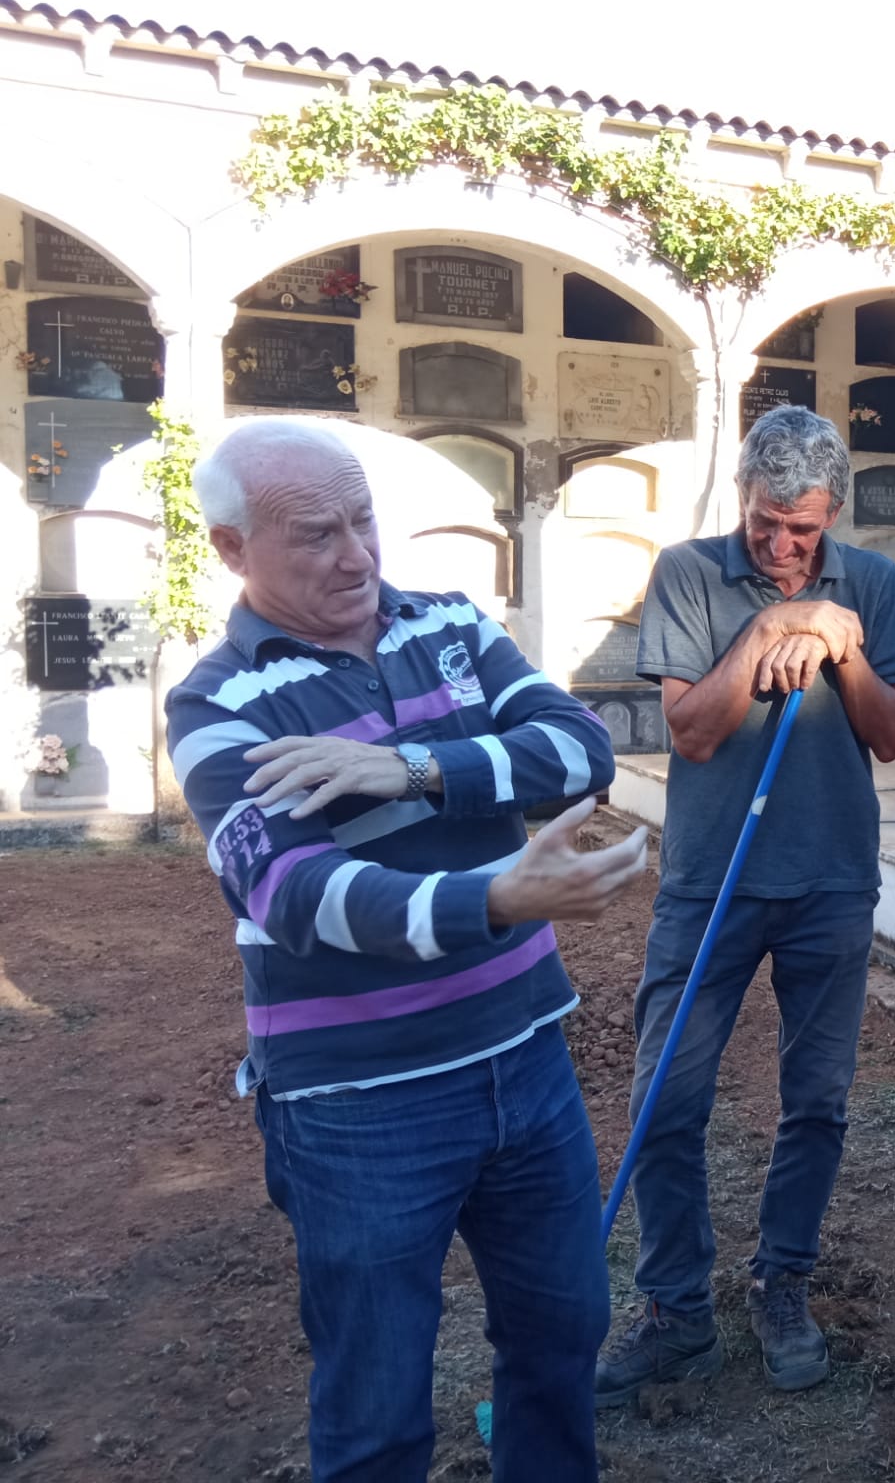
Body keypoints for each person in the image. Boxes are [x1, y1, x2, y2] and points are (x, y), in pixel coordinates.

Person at [164, 418, 646, 1483]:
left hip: (525, 1061)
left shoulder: (450, 624)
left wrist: (416, 769)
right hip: (359, 1105)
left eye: (364, 520)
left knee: (563, 1340)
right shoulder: (217, 705)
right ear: (234, 549)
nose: (357, 556)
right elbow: (298, 894)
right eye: (316, 534)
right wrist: (495, 896)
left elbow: (579, 748)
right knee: (377, 1408)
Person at [597, 405, 895, 1405]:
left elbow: (893, 734)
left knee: (816, 1101)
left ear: (833, 517)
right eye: (765, 523)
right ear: (741, 497)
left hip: (830, 881)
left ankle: (783, 1281)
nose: (782, 546)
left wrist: (843, 649)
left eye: (803, 530)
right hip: (710, 882)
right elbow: (692, 732)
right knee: (666, 1098)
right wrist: (773, 628)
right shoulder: (689, 574)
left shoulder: (873, 582)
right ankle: (675, 1310)